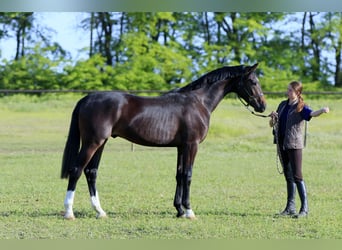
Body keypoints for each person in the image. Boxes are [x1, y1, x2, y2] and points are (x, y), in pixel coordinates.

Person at [269, 81, 329, 218]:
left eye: (291, 90)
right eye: (288, 90)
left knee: (297, 176)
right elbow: (272, 124)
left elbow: (312, 114)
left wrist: (322, 110)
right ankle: (290, 208)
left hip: (294, 145)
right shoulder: (282, 105)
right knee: (288, 176)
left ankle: (304, 209)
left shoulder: (301, 107)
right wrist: (272, 117)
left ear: (298, 93)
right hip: (282, 143)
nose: (288, 92)